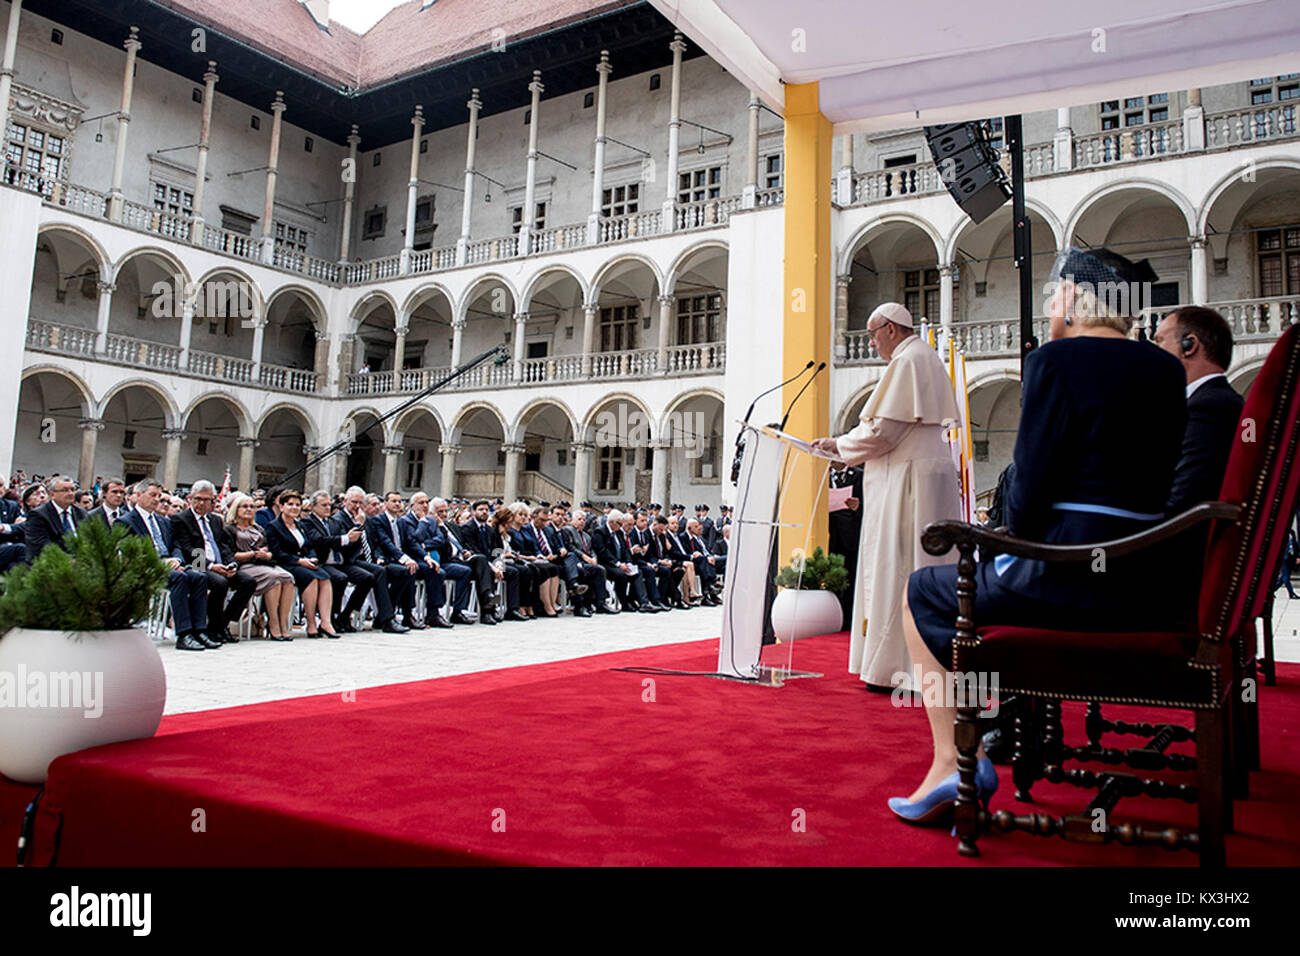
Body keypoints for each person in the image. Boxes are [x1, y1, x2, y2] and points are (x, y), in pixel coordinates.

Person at [894, 246, 1184, 823]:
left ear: (1075, 298)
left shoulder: (1058, 360)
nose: (1051, 306)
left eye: (1055, 295)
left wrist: (1005, 532)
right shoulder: (1167, 368)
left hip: (1067, 578)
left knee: (924, 591)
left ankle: (953, 762)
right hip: (1146, 586)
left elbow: (1027, 499)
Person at [811, 302, 960, 691]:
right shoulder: (923, 358)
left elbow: (882, 434)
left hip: (907, 484)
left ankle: (896, 667)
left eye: (874, 334)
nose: (872, 343)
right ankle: (919, 664)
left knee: (899, 566)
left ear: (891, 329)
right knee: (920, 564)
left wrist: (837, 444)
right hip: (924, 480)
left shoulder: (907, 362)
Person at [1153, 306, 1244, 515]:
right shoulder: (1215, 401)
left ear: (1190, 345)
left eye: (1159, 341)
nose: (1154, 351)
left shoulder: (1209, 408)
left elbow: (1184, 499)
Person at [119, 479, 215, 652]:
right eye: (153, 496)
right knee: (189, 578)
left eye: (159, 496)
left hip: (183, 565)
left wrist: (176, 560)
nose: (157, 500)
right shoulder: (127, 521)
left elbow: (177, 546)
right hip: (155, 567)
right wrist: (164, 563)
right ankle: (185, 633)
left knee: (201, 577)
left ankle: (201, 630)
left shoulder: (166, 521)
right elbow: (131, 553)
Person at [171, 480, 257, 644]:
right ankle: (211, 628)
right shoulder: (181, 519)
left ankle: (221, 624)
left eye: (206, 500)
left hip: (220, 564)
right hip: (197, 564)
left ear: (213, 501)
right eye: (197, 499)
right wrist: (211, 566)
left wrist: (231, 564)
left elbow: (224, 545)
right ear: (190, 498)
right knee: (220, 583)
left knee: (248, 582)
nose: (201, 503)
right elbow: (187, 548)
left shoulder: (216, 520)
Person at [333, 487, 408, 633]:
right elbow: (345, 547)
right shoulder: (339, 519)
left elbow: (375, 542)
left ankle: (383, 614)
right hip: (349, 560)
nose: (357, 506)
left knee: (403, 572)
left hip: (368, 559)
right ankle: (387, 620)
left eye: (360, 503)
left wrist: (379, 557)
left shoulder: (366, 519)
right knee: (375, 574)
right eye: (354, 502)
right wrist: (357, 525)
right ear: (345, 501)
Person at [265, 490, 339, 638]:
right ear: (281, 506)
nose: (294, 508)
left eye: (297, 505)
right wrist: (299, 561)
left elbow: (309, 545)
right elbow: (277, 552)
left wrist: (311, 557)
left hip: (304, 561)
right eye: (290, 504)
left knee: (324, 578)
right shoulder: (273, 527)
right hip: (286, 563)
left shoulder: (300, 526)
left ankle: (325, 622)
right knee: (310, 578)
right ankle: (311, 623)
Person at [224, 492, 296, 641]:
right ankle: (274, 624)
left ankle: (283, 625)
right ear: (236, 509)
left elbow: (269, 550)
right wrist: (252, 554)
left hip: (263, 563)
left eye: (252, 506)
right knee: (275, 578)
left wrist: (266, 554)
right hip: (243, 565)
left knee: (288, 577)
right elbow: (230, 555)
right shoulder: (229, 529)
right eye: (245, 506)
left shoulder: (258, 529)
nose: (249, 509)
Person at [23, 476, 88, 563]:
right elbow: (41, 546)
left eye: (73, 489)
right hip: (49, 563)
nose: (70, 493)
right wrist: (70, 561)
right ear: (52, 494)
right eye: (65, 490)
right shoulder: (38, 515)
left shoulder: (81, 513)